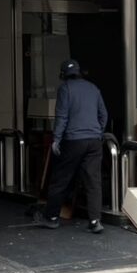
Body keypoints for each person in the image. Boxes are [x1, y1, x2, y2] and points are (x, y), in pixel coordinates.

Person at [36, 59, 109, 233]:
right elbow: (103, 114)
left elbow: (62, 116)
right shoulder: (93, 88)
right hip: (94, 141)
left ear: (63, 74)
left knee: (61, 179)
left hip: (74, 140)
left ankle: (51, 218)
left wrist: (56, 139)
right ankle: (95, 221)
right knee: (93, 181)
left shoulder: (65, 89)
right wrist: (97, 132)